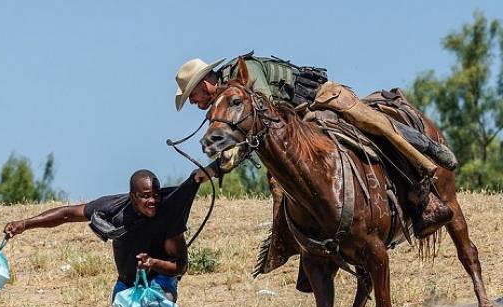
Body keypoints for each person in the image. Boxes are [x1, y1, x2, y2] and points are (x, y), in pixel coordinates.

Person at [174, 53, 457, 240]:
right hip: (297, 124)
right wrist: (214, 165)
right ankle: (300, 240)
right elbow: (242, 137)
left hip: (320, 100)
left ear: (205, 82)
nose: (194, 103)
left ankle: (424, 173)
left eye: (193, 96)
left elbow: (263, 120)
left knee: (374, 127)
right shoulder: (224, 103)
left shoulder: (244, 73)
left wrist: (217, 163)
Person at [4, 169, 210, 307]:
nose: (152, 201)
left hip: (160, 275)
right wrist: (26, 224)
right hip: (127, 281)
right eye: (145, 196)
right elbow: (67, 214)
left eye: (155, 195)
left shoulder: (167, 216)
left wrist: (153, 263)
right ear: (132, 196)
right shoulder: (113, 208)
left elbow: (180, 266)